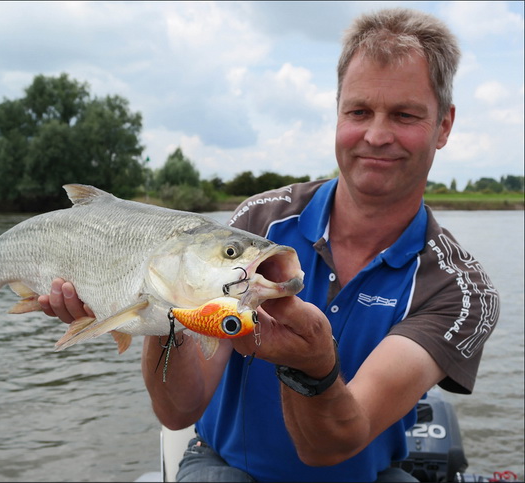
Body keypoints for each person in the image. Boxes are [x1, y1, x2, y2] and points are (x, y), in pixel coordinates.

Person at [39, 7, 500, 482]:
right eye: (359, 111)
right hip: (227, 466)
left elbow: (337, 442)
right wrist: (162, 307)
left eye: (404, 115)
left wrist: (311, 366)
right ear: (337, 110)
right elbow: (180, 412)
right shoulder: (260, 219)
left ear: (444, 125)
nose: (376, 135)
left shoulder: (460, 290)